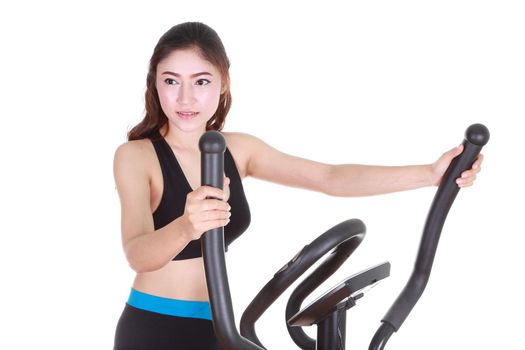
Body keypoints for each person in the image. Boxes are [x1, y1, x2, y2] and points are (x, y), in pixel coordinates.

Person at [112, 22, 483, 350]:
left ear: (223, 82)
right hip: (153, 327)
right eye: (171, 80)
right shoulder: (136, 157)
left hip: (217, 326)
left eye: (201, 81)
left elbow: (329, 177)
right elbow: (137, 253)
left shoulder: (239, 149)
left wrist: (429, 174)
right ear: (155, 83)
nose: (185, 98)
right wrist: (186, 225)